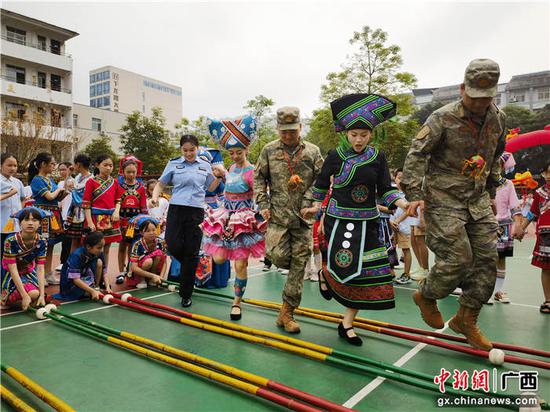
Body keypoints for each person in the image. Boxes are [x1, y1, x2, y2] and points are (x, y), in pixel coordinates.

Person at [400, 59, 523, 350]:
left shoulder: (498, 119)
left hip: (478, 200)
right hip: (444, 199)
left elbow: (496, 156)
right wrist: (415, 193)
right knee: (458, 258)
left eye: (486, 98)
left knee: (486, 262)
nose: (479, 104)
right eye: (473, 97)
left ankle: (466, 319)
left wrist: (492, 191)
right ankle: (426, 295)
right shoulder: (441, 118)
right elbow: (417, 154)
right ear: (462, 89)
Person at [312, 93, 408, 346]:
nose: (358, 139)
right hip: (338, 221)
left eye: (363, 135)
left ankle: (347, 323)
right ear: (346, 134)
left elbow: (385, 187)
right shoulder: (335, 155)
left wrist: (402, 203)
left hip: (369, 223)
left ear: (371, 135)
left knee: (367, 274)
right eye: (354, 134)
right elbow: (321, 184)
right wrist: (314, 206)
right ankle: (325, 274)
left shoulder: (378, 156)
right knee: (341, 266)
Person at [254, 106, 324, 333]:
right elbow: (259, 178)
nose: (288, 135)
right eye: (284, 131)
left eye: (292, 131)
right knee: (277, 256)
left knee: (298, 264)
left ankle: (287, 312)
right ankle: (287, 310)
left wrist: (312, 202)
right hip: (278, 217)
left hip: (303, 219)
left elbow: (321, 180)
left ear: (300, 128)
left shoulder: (312, 151)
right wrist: (263, 204)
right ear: (278, 129)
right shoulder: (268, 150)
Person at [201, 114, 267, 320]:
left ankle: (237, 302)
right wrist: (220, 175)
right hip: (225, 217)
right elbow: (216, 188)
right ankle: (237, 292)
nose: (235, 155)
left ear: (246, 150)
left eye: (239, 152)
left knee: (240, 264)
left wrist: (262, 210)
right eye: (231, 152)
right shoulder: (229, 168)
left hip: (243, 220)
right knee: (219, 258)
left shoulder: (252, 171)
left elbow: (258, 193)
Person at [151, 134, 223, 307]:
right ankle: (190, 264)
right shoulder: (174, 163)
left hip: (196, 211)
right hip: (176, 209)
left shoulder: (205, 166)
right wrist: (154, 196)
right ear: (181, 150)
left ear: (197, 149)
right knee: (172, 243)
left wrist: (219, 177)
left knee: (191, 252)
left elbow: (210, 187)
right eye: (185, 150)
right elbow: (161, 183)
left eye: (192, 150)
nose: (189, 153)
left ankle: (186, 294)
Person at [29, 152, 68, 284]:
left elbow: (56, 198)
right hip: (42, 215)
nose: (54, 166)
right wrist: (59, 189)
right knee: (40, 245)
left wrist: (65, 192)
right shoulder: (37, 180)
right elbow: (50, 197)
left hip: (53, 214)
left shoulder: (49, 180)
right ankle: (37, 275)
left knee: (50, 245)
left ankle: (48, 274)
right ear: (43, 164)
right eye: (51, 163)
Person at [489, 152, 522, 304]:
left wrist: (518, 225)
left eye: (498, 164)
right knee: (483, 259)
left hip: (503, 226)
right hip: (484, 226)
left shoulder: (508, 184)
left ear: (502, 167)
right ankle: (484, 291)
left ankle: (497, 291)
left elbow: (515, 206)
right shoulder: (482, 183)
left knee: (501, 259)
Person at [197, 147, 231, 289]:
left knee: (213, 243)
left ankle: (215, 279)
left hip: (213, 214)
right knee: (199, 245)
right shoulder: (193, 175)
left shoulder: (216, 177)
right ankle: (200, 278)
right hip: (196, 211)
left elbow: (223, 194)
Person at [519, 161, 550, 314]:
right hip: (545, 236)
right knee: (546, 268)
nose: (549, 176)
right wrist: (521, 228)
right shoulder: (539, 193)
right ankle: (548, 301)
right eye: (547, 172)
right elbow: (532, 213)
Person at [1, 207, 48, 310]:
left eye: (34, 220)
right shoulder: (10, 241)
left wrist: (42, 295)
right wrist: (24, 295)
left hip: (28, 272)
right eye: (26, 220)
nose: (30, 223)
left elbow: (40, 269)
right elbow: (12, 269)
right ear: (20, 223)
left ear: (40, 224)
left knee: (35, 294)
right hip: (10, 274)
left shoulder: (42, 241)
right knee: (5, 303)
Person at [82, 154, 122, 268]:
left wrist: (116, 212)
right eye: (105, 165)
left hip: (110, 219)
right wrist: (89, 222)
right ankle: (90, 273)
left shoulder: (115, 182)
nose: (108, 168)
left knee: (107, 248)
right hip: (95, 219)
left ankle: (104, 274)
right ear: (97, 165)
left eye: (111, 165)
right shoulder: (91, 182)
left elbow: (118, 200)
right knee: (93, 248)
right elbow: (86, 203)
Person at [114, 156, 148, 284]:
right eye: (128, 172)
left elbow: (143, 206)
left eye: (133, 172)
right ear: (123, 172)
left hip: (135, 222)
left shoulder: (141, 187)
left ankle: (130, 270)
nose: (131, 174)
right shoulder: (118, 185)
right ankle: (120, 271)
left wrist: (144, 219)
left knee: (133, 247)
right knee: (122, 246)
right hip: (122, 221)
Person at [58, 231, 110, 301]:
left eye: (102, 247)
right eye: (99, 248)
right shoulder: (77, 255)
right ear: (88, 247)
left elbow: (104, 271)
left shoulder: (99, 252)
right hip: (70, 283)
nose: (101, 250)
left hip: (83, 276)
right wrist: (92, 291)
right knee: (89, 293)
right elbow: (75, 280)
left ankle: (96, 287)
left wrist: (107, 287)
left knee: (99, 262)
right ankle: (91, 290)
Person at [127, 216, 169, 289]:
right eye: (148, 231)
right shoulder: (137, 244)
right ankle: (142, 280)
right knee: (148, 261)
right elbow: (134, 268)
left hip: (153, 272)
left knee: (159, 254)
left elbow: (164, 262)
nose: (152, 233)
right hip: (139, 272)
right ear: (141, 233)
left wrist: (161, 277)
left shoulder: (161, 242)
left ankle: (152, 279)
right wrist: (153, 276)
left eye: (154, 230)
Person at [65, 154, 93, 252]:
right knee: (74, 240)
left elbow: (81, 197)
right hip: (75, 213)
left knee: (84, 240)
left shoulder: (91, 179)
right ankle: (73, 263)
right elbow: (68, 188)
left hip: (85, 212)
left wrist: (73, 191)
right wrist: (68, 174)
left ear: (78, 164)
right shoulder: (78, 177)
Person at [1, 153, 26, 260]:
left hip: (16, 225)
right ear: (1, 165)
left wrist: (20, 212)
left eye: (15, 166)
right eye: (9, 165)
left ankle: (10, 276)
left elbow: (23, 199)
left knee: (13, 255)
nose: (12, 168)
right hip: (2, 224)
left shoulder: (18, 182)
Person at [57, 161, 75, 268]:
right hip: (63, 215)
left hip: (72, 215)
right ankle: (63, 262)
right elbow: (59, 202)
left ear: (70, 169)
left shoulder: (75, 182)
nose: (62, 172)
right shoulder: (59, 183)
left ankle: (69, 263)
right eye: (60, 170)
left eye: (64, 169)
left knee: (71, 241)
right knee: (65, 240)